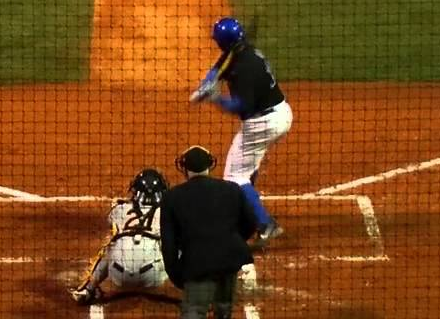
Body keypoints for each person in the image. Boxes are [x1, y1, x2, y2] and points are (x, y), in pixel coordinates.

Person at [189, 17, 293, 245]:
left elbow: (241, 107)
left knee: (235, 176)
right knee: (245, 168)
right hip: (278, 114)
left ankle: (266, 225)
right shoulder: (240, 52)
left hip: (263, 122)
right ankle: (246, 208)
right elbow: (219, 67)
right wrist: (207, 83)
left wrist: (215, 98)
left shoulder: (246, 68)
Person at [160, 145, 258, 319]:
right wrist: (231, 240)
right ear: (209, 165)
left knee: (195, 310)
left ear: (184, 168)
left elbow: (169, 244)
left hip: (197, 264)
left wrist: (175, 273)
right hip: (229, 260)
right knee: (224, 310)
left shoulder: (171, 197)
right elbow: (251, 222)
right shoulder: (232, 189)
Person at [71, 168, 170, 305]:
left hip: (118, 275)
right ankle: (194, 293)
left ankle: (88, 290)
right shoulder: (168, 213)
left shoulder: (119, 209)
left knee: (110, 247)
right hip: (152, 276)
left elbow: (111, 218)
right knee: (176, 245)